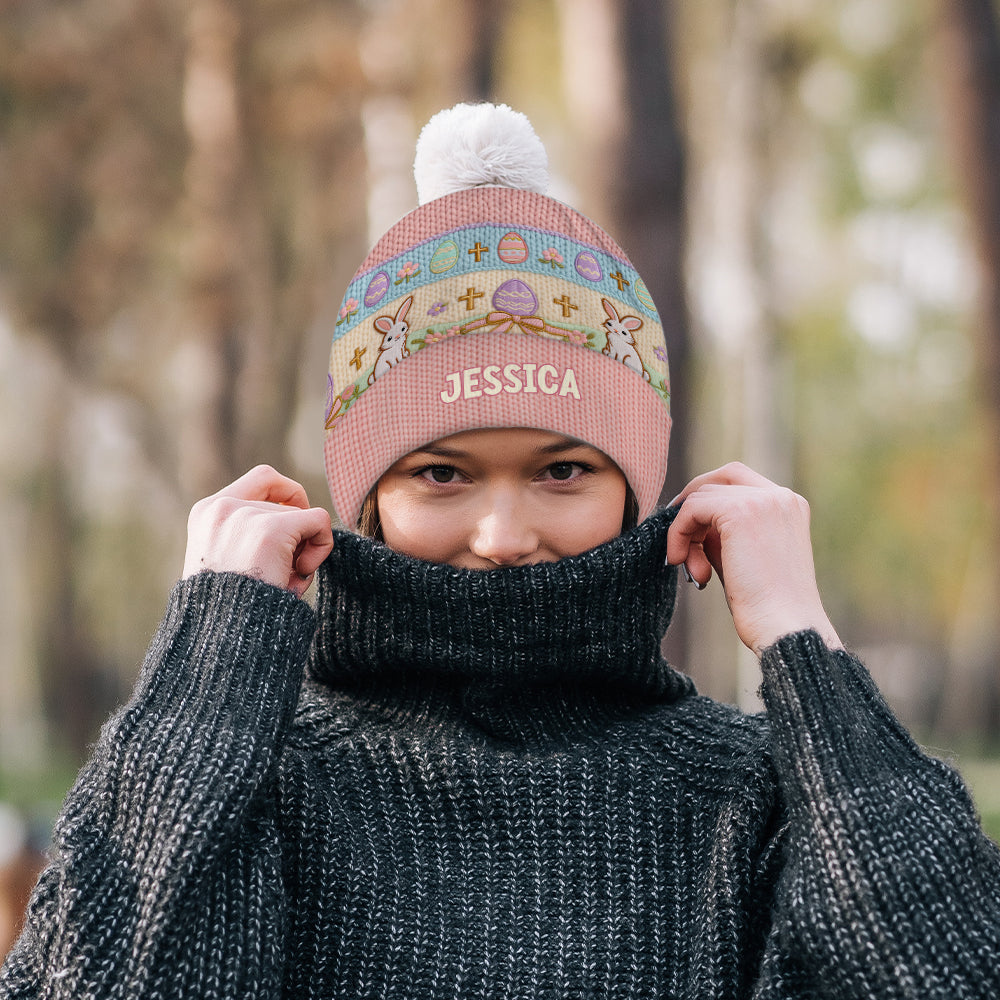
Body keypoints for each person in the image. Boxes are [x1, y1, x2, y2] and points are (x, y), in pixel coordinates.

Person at [2, 102, 998, 999]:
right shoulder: (259, 784)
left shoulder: (751, 797)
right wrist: (201, 686)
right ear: (368, 498)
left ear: (633, 490)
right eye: (440, 473)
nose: (505, 533)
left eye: (562, 469)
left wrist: (803, 645)